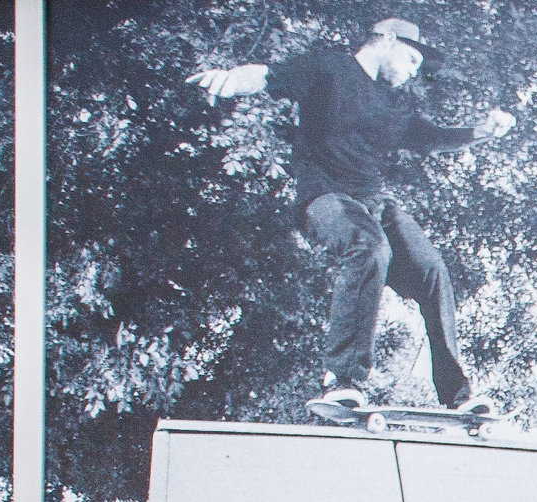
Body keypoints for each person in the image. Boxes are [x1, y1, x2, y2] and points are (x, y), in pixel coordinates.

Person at [190, 19, 516, 415]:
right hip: (325, 196)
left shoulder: (390, 104)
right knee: (369, 248)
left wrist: (479, 131)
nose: (414, 71)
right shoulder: (329, 68)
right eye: (412, 59)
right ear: (388, 40)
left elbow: (429, 136)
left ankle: (457, 394)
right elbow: (269, 76)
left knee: (431, 269)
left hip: (373, 199)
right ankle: (342, 379)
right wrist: (230, 78)